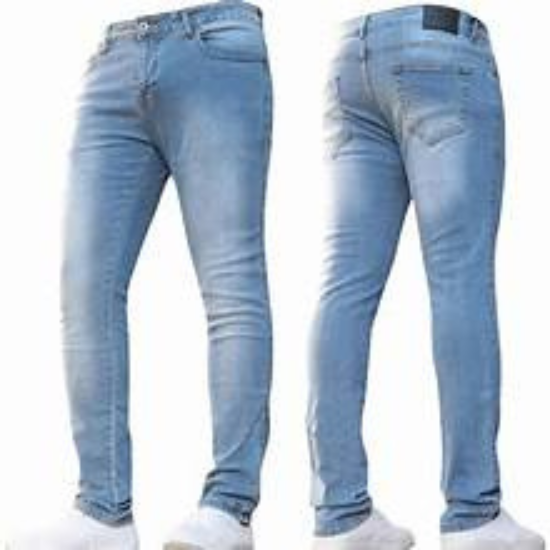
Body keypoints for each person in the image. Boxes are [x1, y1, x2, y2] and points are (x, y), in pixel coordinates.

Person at [9, 1, 273, 549]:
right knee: (85, 286)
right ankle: (103, 511)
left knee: (229, 284)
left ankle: (229, 506)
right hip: (112, 58)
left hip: (215, 45)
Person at [307, 6, 545, 550]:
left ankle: (341, 513)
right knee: (460, 279)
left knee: (343, 286)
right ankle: (473, 514)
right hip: (438, 52)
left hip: (349, 60)